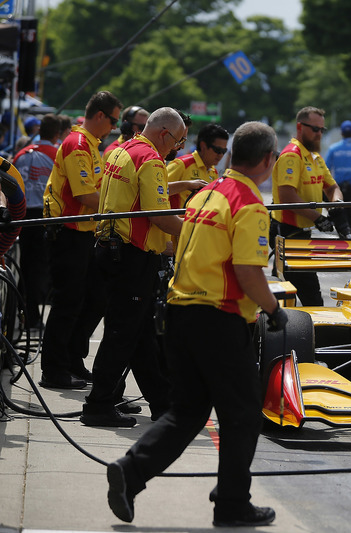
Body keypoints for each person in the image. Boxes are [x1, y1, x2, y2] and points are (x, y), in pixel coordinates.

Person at [105, 121, 287, 528]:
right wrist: (274, 310)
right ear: (266, 160)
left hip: (179, 314)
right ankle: (232, 503)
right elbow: (248, 272)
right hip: (218, 320)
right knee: (243, 415)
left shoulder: (206, 194)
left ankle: (130, 472)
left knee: (186, 412)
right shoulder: (250, 205)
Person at [81, 107, 187, 427]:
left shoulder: (121, 150)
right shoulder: (151, 160)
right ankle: (99, 404)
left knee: (140, 336)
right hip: (132, 257)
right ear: (163, 133)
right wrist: (201, 230)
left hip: (111, 250)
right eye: (178, 141)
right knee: (122, 334)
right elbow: (159, 216)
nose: (177, 148)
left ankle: (162, 404)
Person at [39, 91, 122, 389]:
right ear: (100, 115)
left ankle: (73, 359)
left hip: (85, 233)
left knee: (93, 299)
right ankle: (53, 369)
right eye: (113, 120)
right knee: (67, 302)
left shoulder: (91, 145)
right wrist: (120, 206)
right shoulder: (77, 144)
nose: (114, 127)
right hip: (69, 233)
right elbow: (85, 194)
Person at [270, 106, 346, 306]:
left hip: (303, 233)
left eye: (322, 129)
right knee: (310, 295)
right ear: (299, 127)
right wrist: (318, 217)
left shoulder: (315, 157)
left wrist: (337, 205)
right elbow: (287, 196)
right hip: (286, 232)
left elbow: (332, 188)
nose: (319, 134)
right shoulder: (291, 156)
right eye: (314, 129)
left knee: (296, 291)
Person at [12, 113, 61, 329]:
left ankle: (20, 315)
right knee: (38, 270)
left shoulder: (21, 154)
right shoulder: (57, 154)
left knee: (23, 268)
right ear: (57, 134)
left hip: (20, 216)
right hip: (43, 217)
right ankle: (32, 318)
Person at [166, 122, 228, 209]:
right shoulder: (182, 164)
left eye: (224, 151)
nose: (220, 155)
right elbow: (157, 189)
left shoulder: (214, 172)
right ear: (203, 146)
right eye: (217, 150)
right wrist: (187, 185)